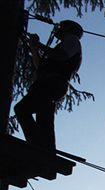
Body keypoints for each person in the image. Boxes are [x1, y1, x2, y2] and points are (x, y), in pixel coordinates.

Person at [14, 20, 84, 150]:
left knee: (24, 109)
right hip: (49, 83)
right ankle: (44, 145)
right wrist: (34, 47)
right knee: (43, 113)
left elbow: (61, 56)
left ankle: (39, 144)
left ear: (68, 29)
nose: (58, 29)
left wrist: (39, 45)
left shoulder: (72, 40)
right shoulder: (64, 44)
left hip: (52, 83)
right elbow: (39, 66)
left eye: (62, 27)